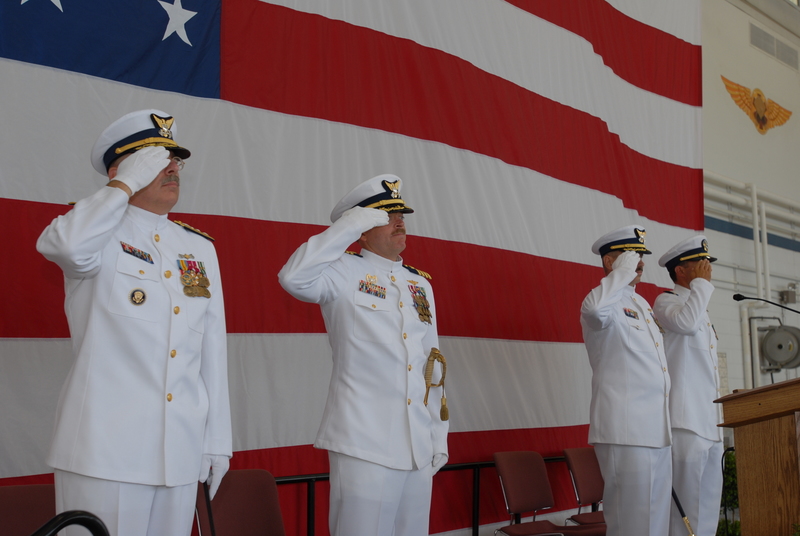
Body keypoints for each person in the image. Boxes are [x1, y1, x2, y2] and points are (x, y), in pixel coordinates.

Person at [36, 109, 232, 536]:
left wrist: (217, 441)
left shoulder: (197, 248)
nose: (171, 168)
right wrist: (122, 186)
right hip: (105, 452)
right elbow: (63, 246)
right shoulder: (94, 230)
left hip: (180, 451)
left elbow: (211, 350)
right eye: (154, 160)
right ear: (119, 169)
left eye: (174, 160)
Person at [278, 174, 449, 536]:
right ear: (363, 230)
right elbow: (293, 278)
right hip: (364, 442)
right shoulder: (341, 271)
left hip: (418, 443)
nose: (399, 222)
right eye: (386, 216)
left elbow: (431, 363)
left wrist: (438, 433)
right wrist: (348, 225)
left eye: (400, 215)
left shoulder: (419, 284)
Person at [579, 225, 672, 536]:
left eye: (640, 257)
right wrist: (621, 273)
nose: (640, 263)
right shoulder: (603, 301)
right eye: (631, 256)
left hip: (655, 429)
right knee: (632, 523)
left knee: (655, 524)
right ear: (610, 261)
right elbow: (594, 310)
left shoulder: (641, 304)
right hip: (626, 430)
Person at [653, 236, 723, 536]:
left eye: (708, 263)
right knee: (686, 509)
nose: (707, 268)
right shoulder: (667, 301)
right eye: (700, 263)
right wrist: (702, 286)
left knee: (708, 506)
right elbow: (685, 324)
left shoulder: (699, 308)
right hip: (685, 421)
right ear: (680, 271)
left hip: (711, 422)